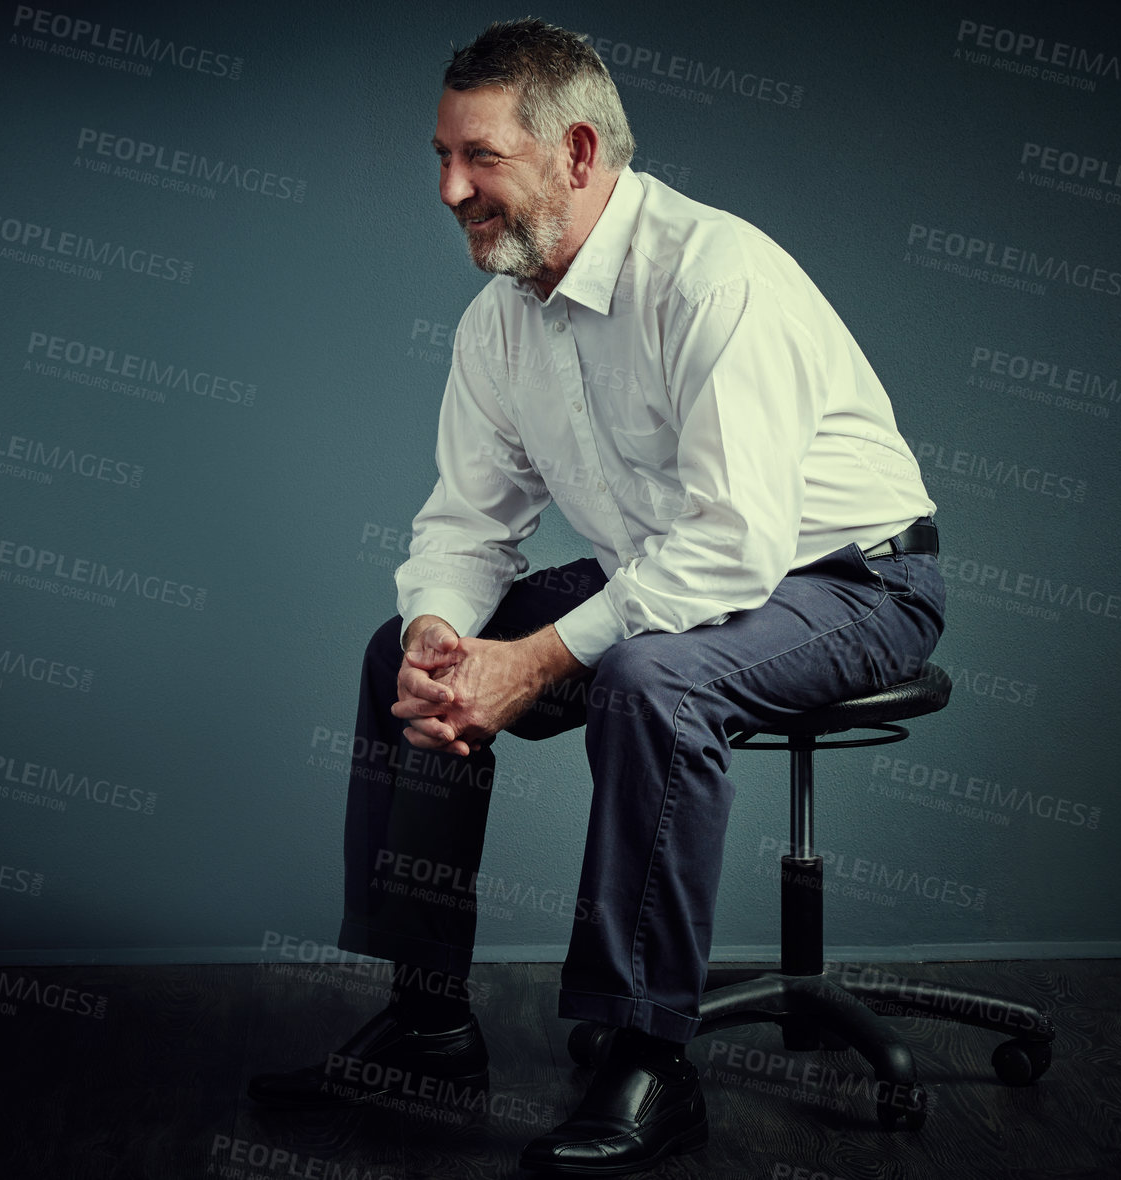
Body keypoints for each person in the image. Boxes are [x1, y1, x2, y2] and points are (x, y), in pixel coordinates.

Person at [249, 16, 945, 1176]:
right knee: (402, 653)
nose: (447, 188)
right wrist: (444, 629)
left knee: (646, 678)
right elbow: (467, 526)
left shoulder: (718, 278)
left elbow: (734, 549)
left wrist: (529, 665)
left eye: (478, 158)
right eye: (439, 156)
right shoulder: (499, 324)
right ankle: (427, 1021)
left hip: (852, 575)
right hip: (664, 565)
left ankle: (647, 1054)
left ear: (576, 154)